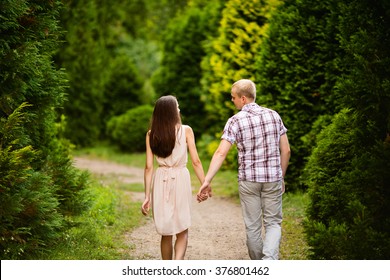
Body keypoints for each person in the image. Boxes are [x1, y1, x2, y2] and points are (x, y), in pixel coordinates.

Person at [197, 79, 290, 260]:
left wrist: (207, 180)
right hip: (273, 179)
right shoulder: (274, 115)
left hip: (249, 181)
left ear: (244, 99)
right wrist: (281, 176)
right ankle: (269, 261)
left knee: (253, 226)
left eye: (233, 98)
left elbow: (220, 153)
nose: (232, 101)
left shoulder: (235, 121)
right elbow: (286, 150)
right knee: (273, 223)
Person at [141, 95, 205, 260]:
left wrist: (147, 195)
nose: (179, 109)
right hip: (180, 177)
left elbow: (149, 167)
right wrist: (204, 183)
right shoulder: (186, 130)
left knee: (166, 231)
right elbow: (196, 161)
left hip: (161, 178)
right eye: (177, 106)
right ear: (171, 111)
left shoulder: (151, 134)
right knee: (182, 228)